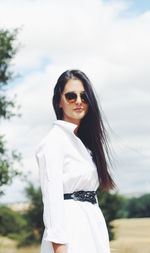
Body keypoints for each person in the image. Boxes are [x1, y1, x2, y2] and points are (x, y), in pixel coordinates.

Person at [35, 69, 116, 253]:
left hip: (91, 226)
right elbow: (52, 201)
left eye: (84, 96)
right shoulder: (53, 142)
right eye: (71, 96)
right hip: (70, 233)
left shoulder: (85, 144)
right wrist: (60, 249)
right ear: (59, 102)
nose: (79, 101)